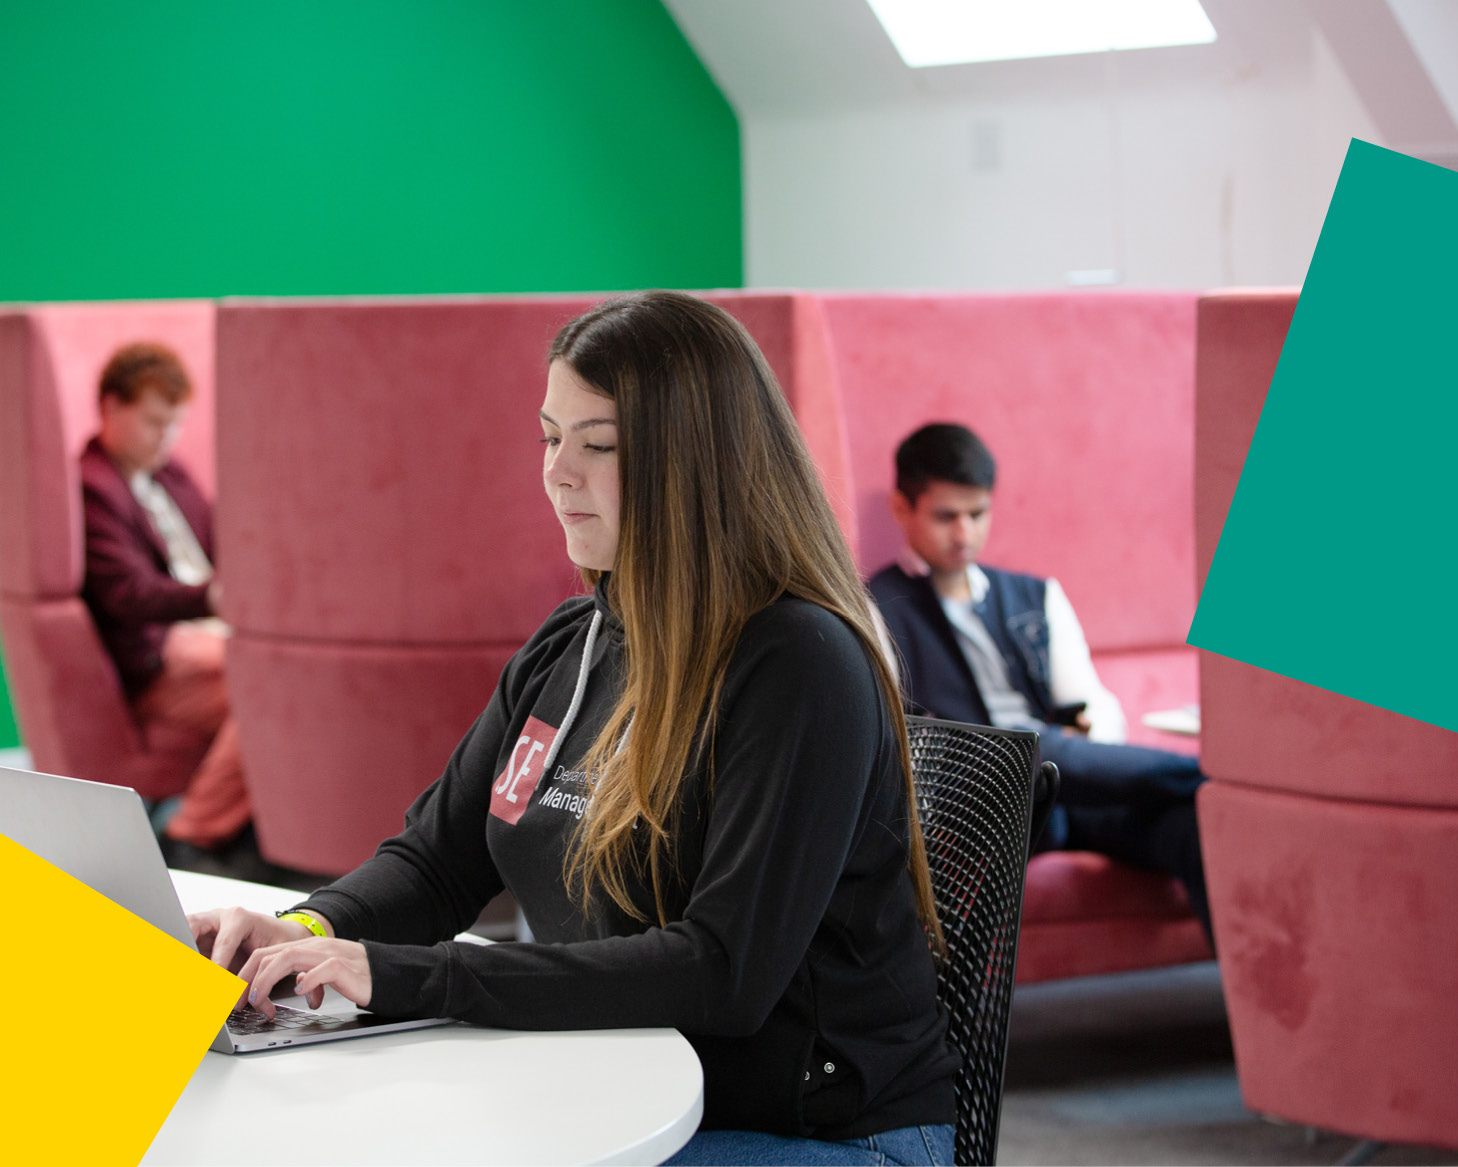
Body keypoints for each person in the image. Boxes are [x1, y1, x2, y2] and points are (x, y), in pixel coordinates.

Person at [189, 292, 959, 1166]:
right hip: (618, 1090)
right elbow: (437, 862)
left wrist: (410, 976)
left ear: (697, 465)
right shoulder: (577, 639)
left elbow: (723, 970)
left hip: (816, 1130)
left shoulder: (798, 662)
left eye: (598, 445)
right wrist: (312, 931)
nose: (559, 471)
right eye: (551, 437)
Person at [868, 423, 1211, 940]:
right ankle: (1212, 777)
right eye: (946, 516)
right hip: (986, 801)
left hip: (1071, 789)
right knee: (1028, 750)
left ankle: (1250, 1013)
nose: (964, 533)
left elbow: (1089, 704)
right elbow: (900, 739)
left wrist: (1090, 733)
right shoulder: (876, 607)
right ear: (902, 509)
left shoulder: (1035, 595)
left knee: (1190, 824)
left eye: (977, 514)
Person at [81, 342, 251, 859]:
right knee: (264, 684)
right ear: (111, 407)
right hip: (162, 649)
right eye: (155, 422)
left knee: (275, 676)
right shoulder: (93, 487)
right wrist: (214, 597)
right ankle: (189, 835)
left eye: (175, 423)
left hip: (210, 630)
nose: (167, 437)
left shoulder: (169, 473)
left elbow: (218, 538)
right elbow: (127, 593)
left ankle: (231, 829)